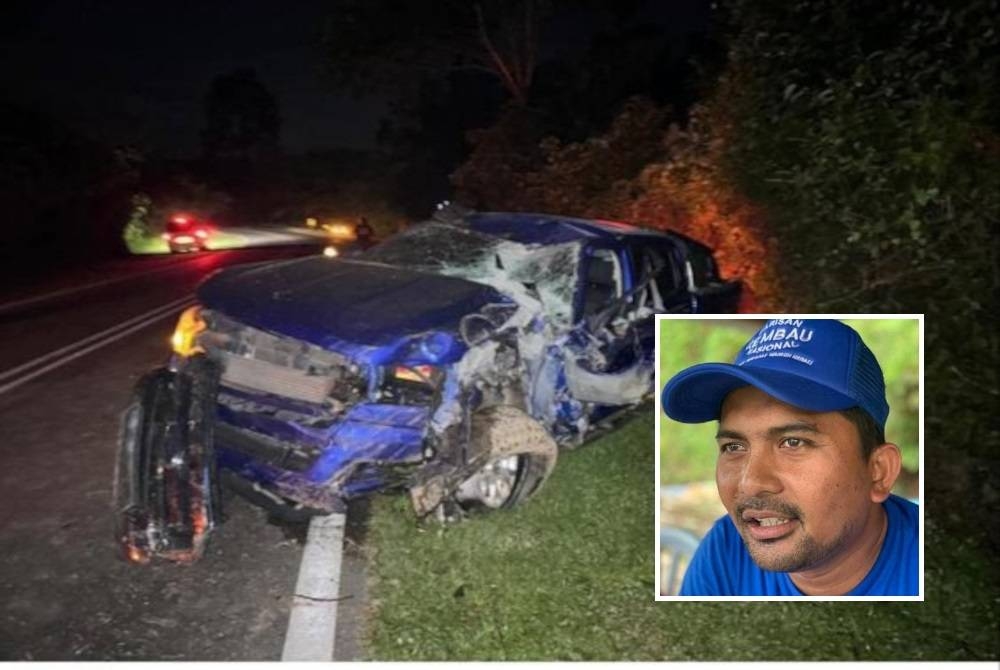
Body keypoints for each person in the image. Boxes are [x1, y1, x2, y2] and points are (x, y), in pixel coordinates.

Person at [661, 318, 918, 596]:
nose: (750, 484)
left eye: (793, 442)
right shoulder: (726, 551)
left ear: (879, 472)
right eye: (734, 447)